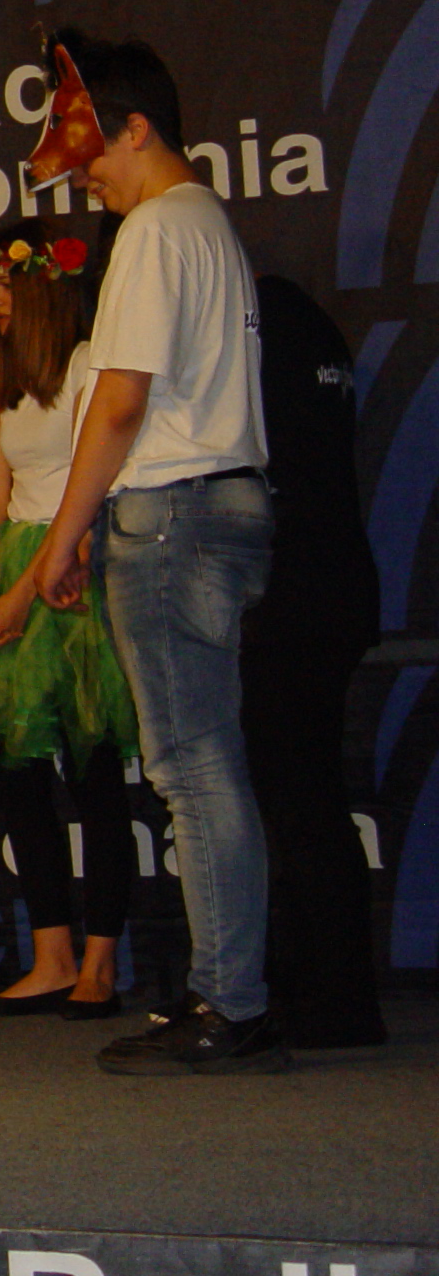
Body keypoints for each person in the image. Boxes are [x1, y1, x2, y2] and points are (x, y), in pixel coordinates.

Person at [28, 28, 282, 1075]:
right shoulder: (203, 224)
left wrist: (62, 535)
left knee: (190, 765)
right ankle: (224, 993)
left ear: (136, 129)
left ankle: (229, 1000)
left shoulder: (152, 233)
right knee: (202, 759)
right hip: (218, 504)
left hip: (173, 513)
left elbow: (122, 399)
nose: (84, 174)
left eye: (91, 152)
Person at [0, 233, 138, 1020]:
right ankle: (50, 953)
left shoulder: (89, 366)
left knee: (92, 776)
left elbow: (97, 481)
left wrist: (24, 593)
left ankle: (100, 963)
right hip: (13, 566)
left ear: (48, 292)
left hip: (69, 572)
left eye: (8, 289)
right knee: (17, 777)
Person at [240, 275, 385, 1049]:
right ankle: (328, 994)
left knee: (293, 806)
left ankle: (325, 1002)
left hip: (288, 593)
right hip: (333, 586)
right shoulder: (305, 323)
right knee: (309, 802)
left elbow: (265, 477)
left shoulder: (259, 325)